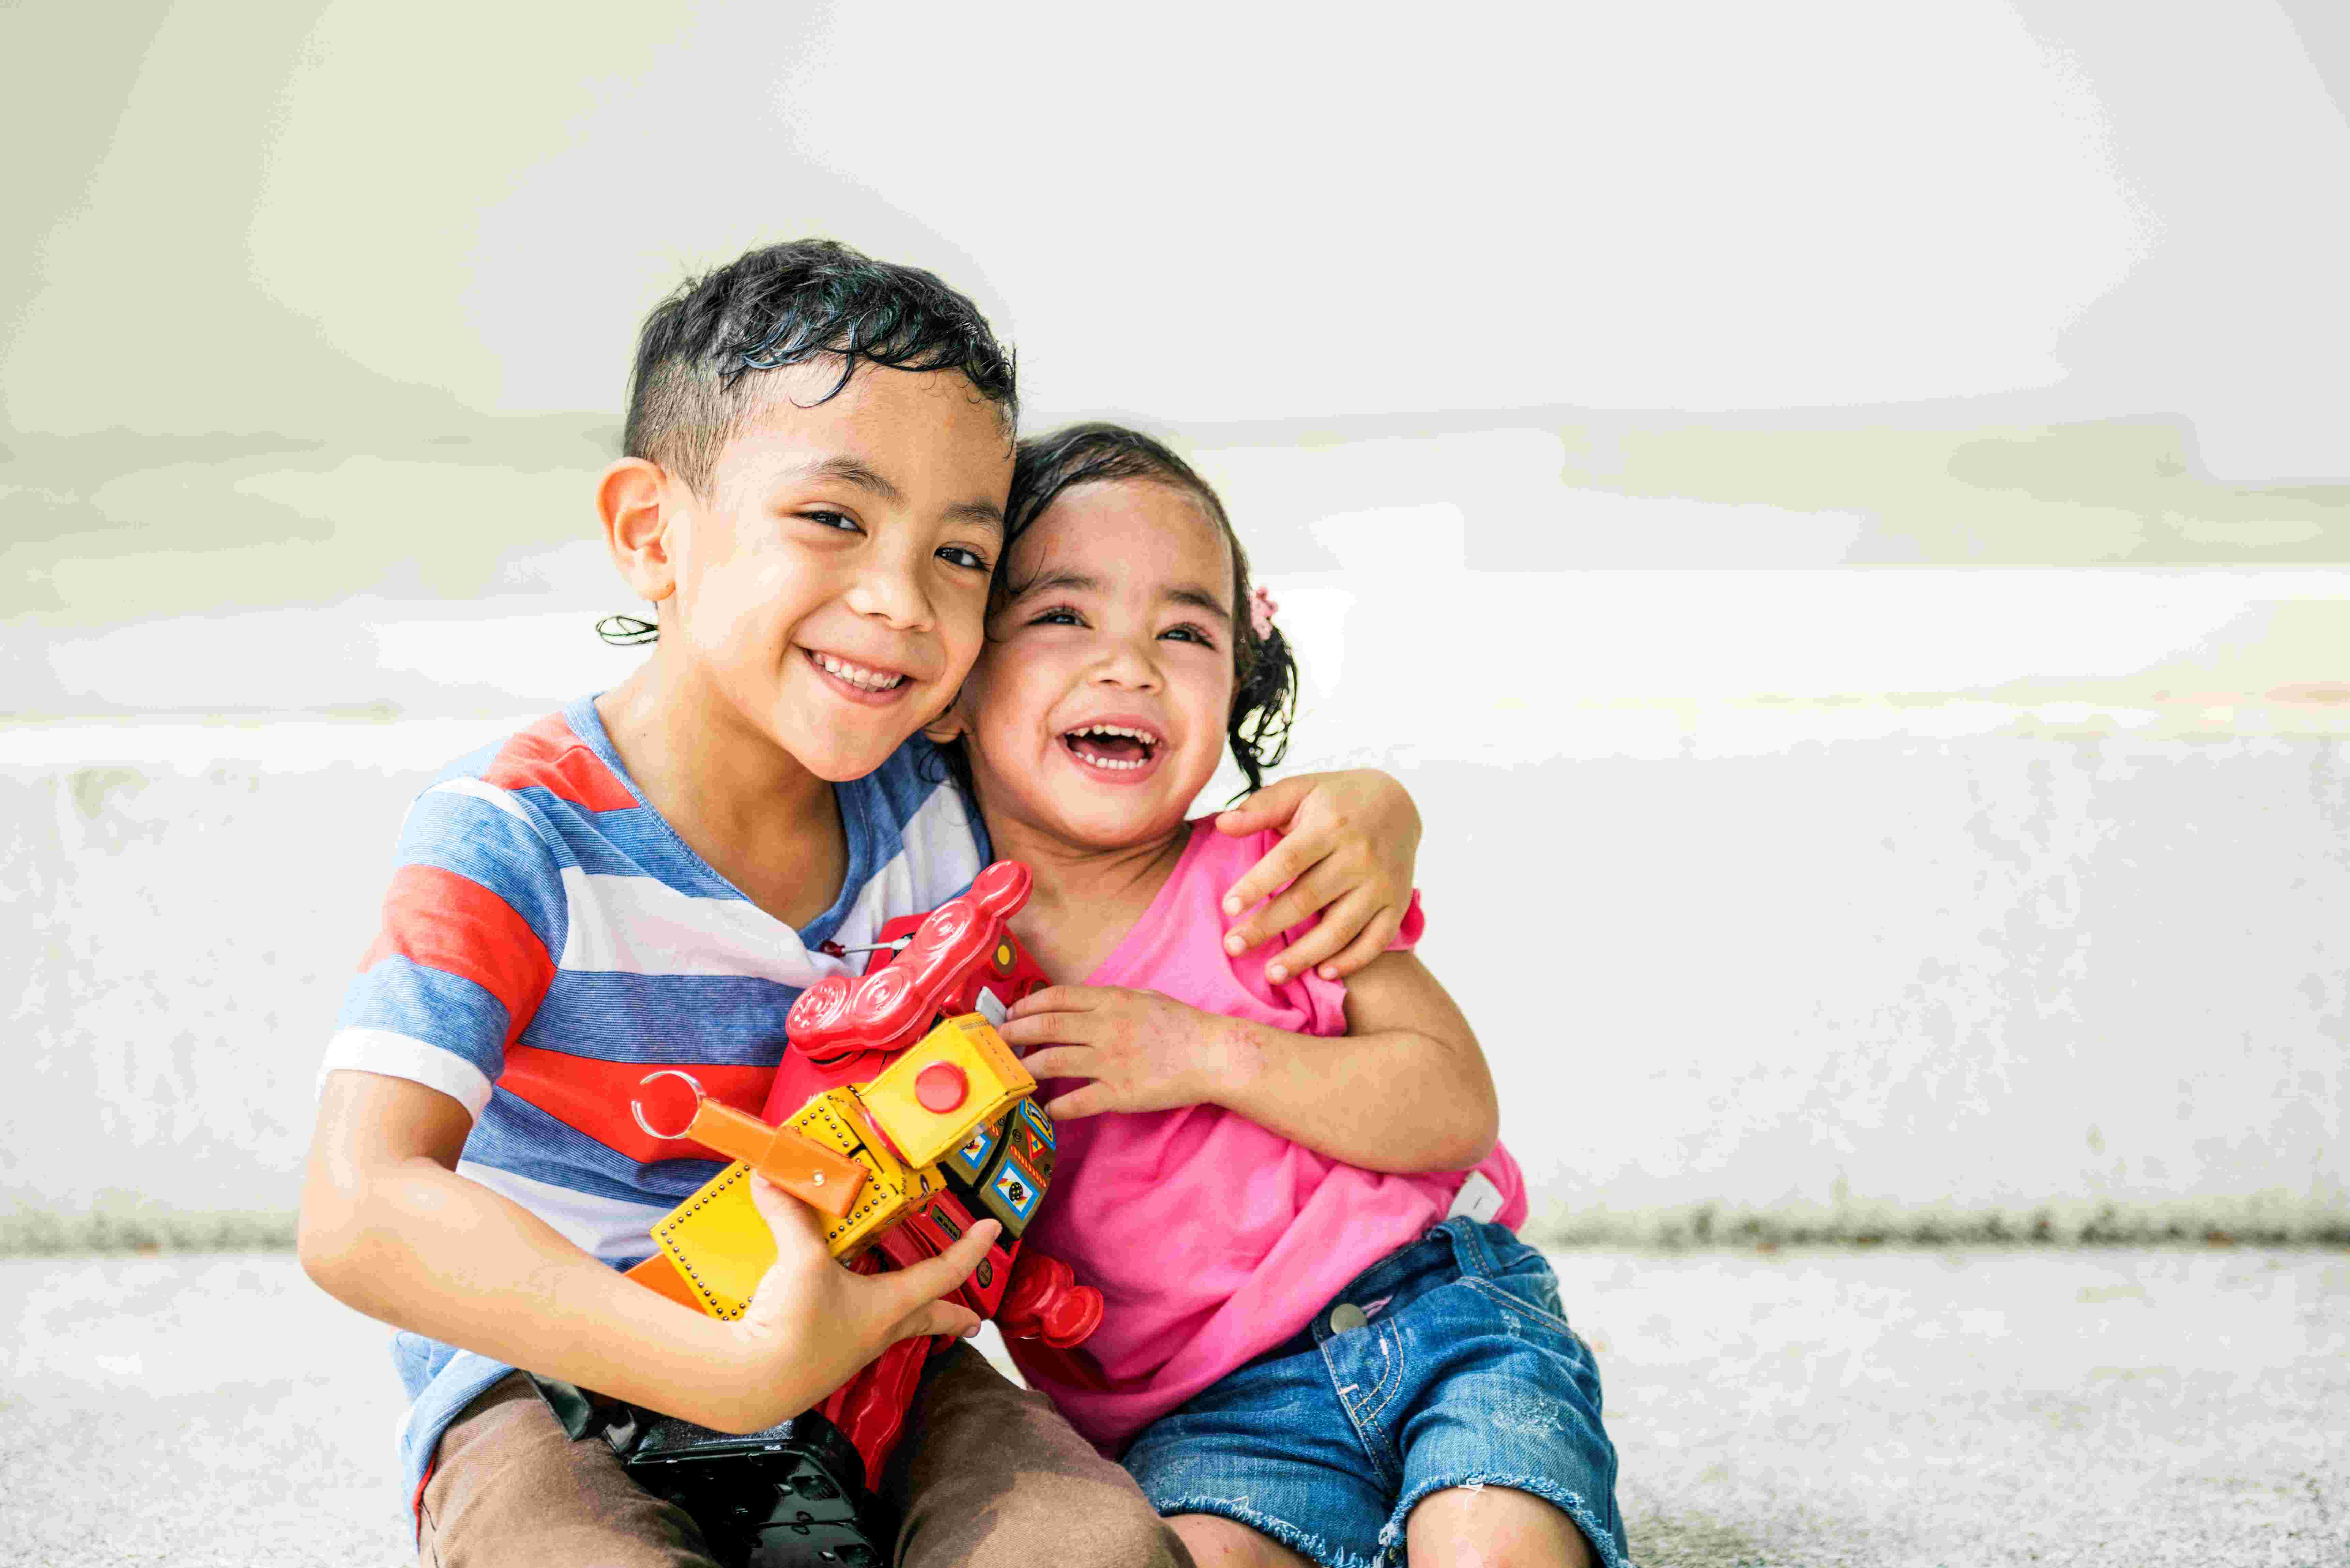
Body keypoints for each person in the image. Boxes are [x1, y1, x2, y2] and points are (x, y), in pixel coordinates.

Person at [295, 243, 1425, 1568]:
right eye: (833, 518)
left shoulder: (930, 805)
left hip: (891, 1348)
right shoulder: (513, 836)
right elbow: (358, 1203)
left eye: (959, 551)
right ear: (652, 533)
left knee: (1098, 1548)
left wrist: (1367, 805)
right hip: (561, 1388)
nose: (899, 599)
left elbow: (1129, 792)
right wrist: (735, 1368)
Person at [927, 424, 1632, 1568]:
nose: (1130, 665)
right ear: (953, 683)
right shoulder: (935, 959)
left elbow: (1455, 1103)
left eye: (1186, 630)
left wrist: (1207, 1052)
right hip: (1203, 1415)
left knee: (1497, 1542)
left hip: (1436, 1317)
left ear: (1237, 683)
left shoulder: (1269, 875)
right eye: (1065, 615)